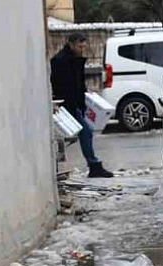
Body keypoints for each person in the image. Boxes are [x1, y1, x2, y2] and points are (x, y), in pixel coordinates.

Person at [51, 33, 115, 179]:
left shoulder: (71, 60)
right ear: (71, 44)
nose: (82, 49)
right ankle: (94, 165)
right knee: (85, 131)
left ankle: (93, 165)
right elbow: (64, 86)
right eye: (80, 46)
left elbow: (78, 83)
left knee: (82, 133)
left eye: (83, 46)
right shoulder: (61, 61)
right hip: (67, 104)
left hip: (74, 103)